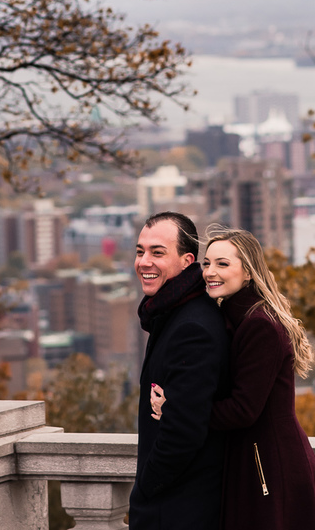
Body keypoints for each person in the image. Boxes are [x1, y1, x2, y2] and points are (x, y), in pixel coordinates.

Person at [153, 225, 315, 530]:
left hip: (270, 465)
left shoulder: (260, 325)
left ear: (248, 272)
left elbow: (243, 409)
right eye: (207, 263)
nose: (210, 272)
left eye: (223, 264)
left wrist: (177, 411)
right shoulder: (235, 316)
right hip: (255, 458)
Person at [128, 212, 230, 530]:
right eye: (140, 251)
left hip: (178, 511)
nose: (144, 262)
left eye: (158, 253)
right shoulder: (171, 314)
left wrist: (146, 489)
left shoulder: (191, 328)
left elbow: (183, 433)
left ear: (187, 261)